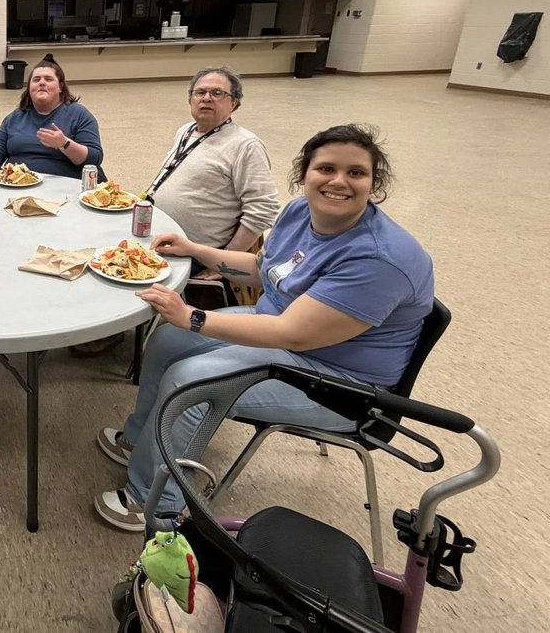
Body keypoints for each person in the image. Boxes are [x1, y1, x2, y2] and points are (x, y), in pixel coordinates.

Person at [94, 124, 434, 532]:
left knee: (191, 381)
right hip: (279, 329)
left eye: (356, 172)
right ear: (305, 174)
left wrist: (194, 317)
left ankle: (154, 502)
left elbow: (293, 334)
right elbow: (265, 269)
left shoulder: (380, 259)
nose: (339, 181)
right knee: (169, 339)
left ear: (374, 182)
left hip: (340, 383)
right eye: (326, 168)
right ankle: (141, 439)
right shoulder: (299, 213)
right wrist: (197, 251)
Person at [144, 67, 279, 259]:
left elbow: (263, 209)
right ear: (190, 100)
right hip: (160, 237)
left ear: (234, 103)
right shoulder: (186, 130)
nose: (206, 98)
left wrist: (224, 261)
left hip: (196, 253)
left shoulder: (246, 145)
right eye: (200, 92)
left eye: (217, 93)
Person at [0, 53, 104, 179]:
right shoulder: (15, 117)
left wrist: (64, 144)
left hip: (64, 188)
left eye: (48, 79)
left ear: (60, 87)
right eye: (36, 80)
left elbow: (94, 158)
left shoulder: (79, 114)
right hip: (17, 184)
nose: (41, 83)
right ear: (29, 88)